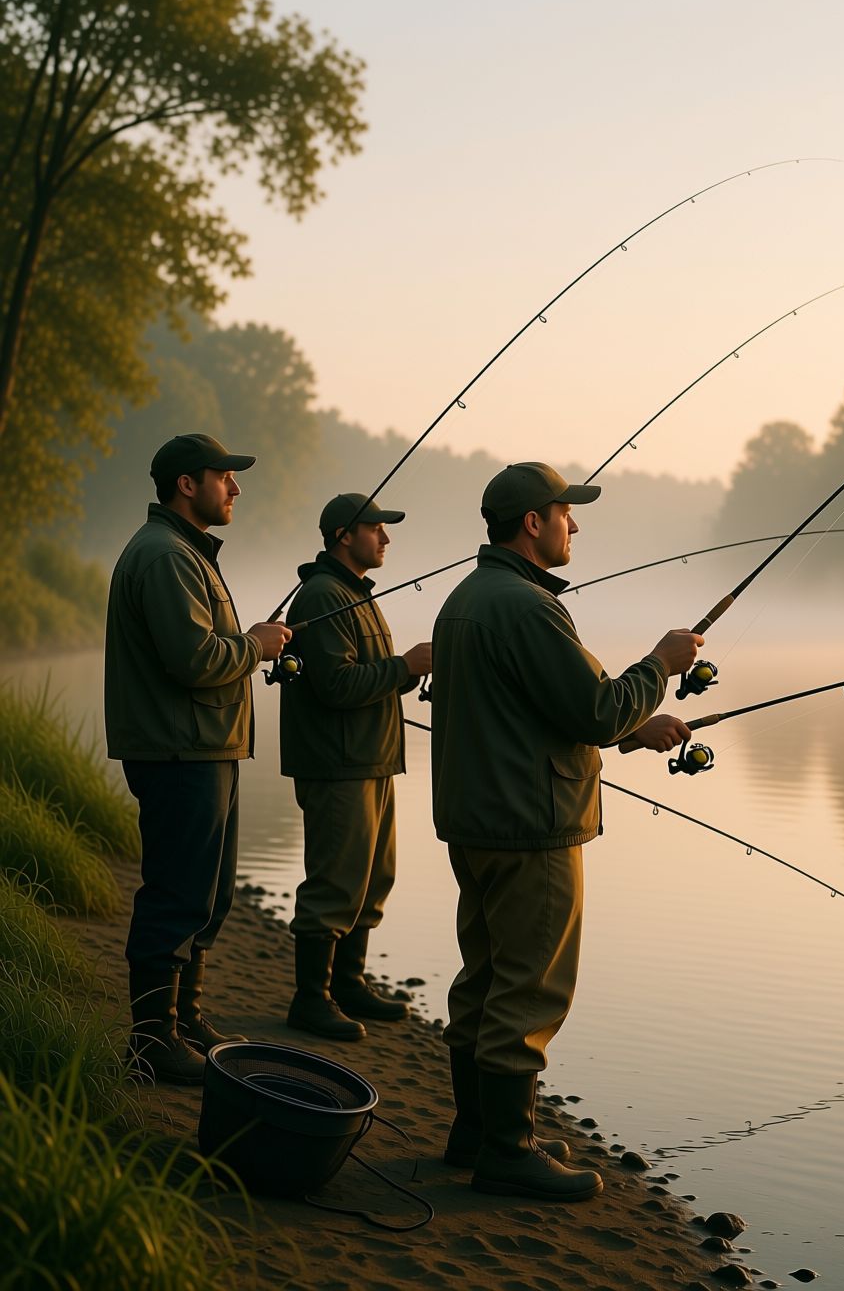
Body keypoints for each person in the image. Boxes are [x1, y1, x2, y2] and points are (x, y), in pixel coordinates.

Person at [431, 461, 700, 1201]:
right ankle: (508, 1152)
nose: (573, 524)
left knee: (483, 979)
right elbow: (592, 708)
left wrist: (631, 731)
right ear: (532, 523)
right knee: (529, 989)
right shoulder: (526, 606)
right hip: (530, 829)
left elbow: (534, 710)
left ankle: (476, 1132)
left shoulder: (467, 600)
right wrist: (660, 665)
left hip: (479, 824)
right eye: (564, 512)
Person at [105, 433, 291, 1086]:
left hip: (205, 748)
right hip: (178, 751)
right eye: (223, 476)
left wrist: (250, 644)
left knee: (208, 895)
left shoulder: (185, 553)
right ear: (187, 484)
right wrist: (257, 646)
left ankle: (184, 1020)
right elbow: (194, 659)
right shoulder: (164, 556)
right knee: (176, 895)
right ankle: (152, 1041)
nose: (235, 487)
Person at [280, 494, 432, 1041]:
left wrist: (406, 672)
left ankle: (348, 984)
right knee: (335, 885)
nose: (386, 539)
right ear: (345, 535)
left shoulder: (354, 595)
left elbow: (364, 677)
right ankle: (310, 1000)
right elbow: (335, 685)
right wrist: (404, 666)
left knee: (372, 880)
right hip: (337, 765)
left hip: (372, 761)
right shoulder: (322, 596)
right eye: (376, 529)